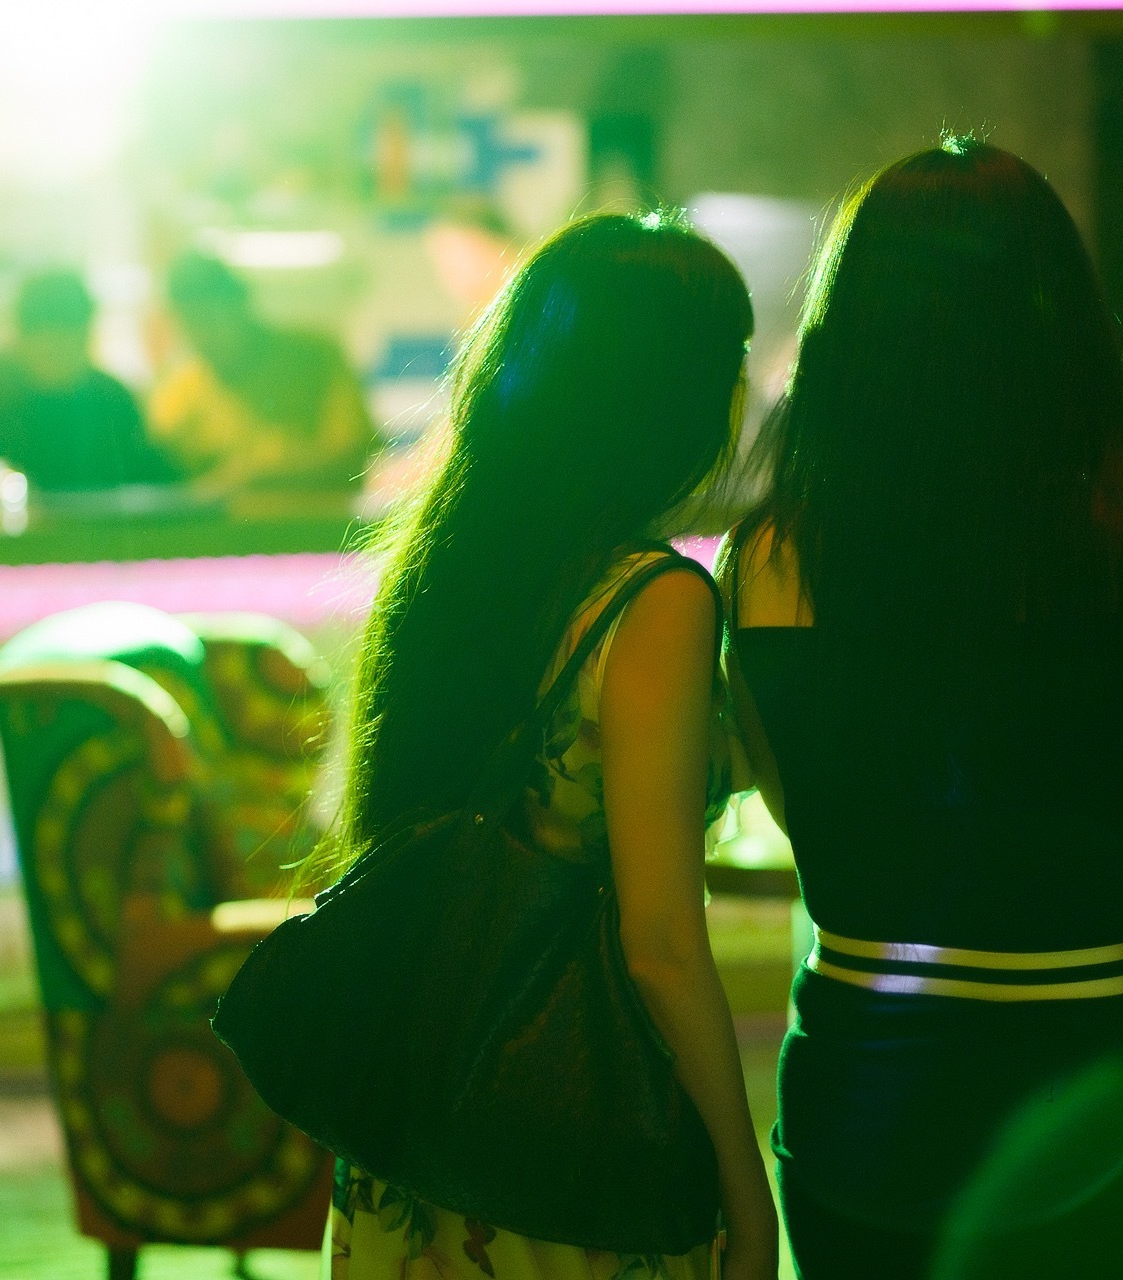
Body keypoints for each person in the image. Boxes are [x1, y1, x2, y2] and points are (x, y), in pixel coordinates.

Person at [719, 142, 1123, 1279]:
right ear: (1063, 322)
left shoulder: (765, 566)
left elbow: (805, 812)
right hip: (1093, 1111)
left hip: (861, 1108)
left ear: (849, 331)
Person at [303, 213, 779, 1280]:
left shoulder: (447, 568)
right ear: (672, 393)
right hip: (569, 1125)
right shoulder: (654, 605)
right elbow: (660, 942)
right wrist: (749, 1192)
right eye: (731, 361)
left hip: (417, 1110)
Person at [150, 252, 378, 498]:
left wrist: (252, 479)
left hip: (320, 519)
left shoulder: (314, 357)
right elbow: (166, 482)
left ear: (239, 304)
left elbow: (354, 453)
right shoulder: (180, 392)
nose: (202, 335)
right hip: (228, 524)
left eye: (209, 317)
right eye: (190, 323)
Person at [0, 269, 178, 492]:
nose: (59, 359)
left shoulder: (113, 400)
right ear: (21, 338)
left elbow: (150, 485)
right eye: (49, 347)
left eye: (71, 345)